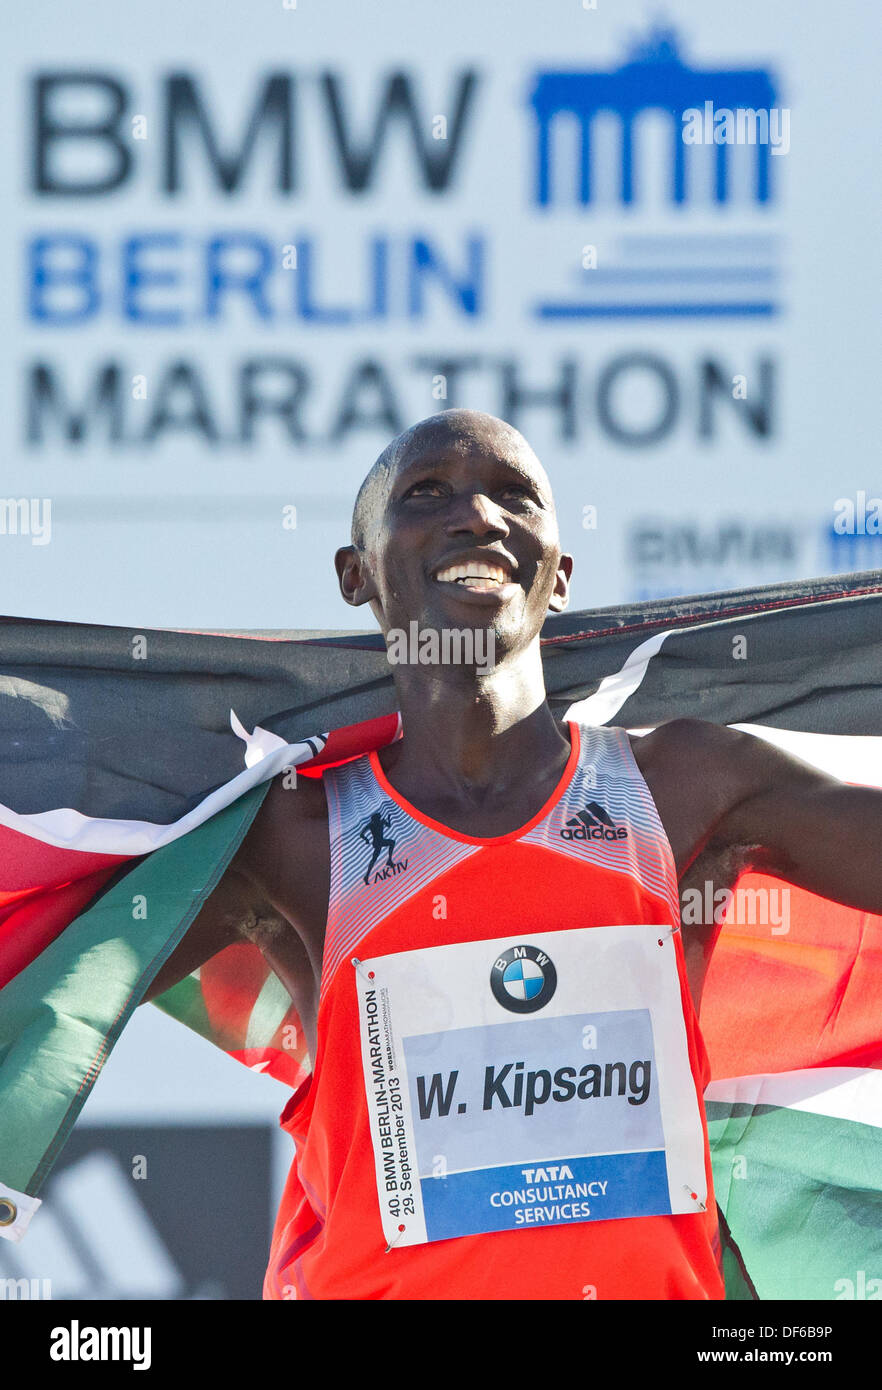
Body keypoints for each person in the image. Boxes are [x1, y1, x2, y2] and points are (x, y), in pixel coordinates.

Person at [143, 409, 882, 1300]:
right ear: (355, 573)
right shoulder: (296, 833)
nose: (479, 517)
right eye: (428, 493)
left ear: (560, 575)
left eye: (515, 497)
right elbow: (61, 970)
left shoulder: (685, 786)